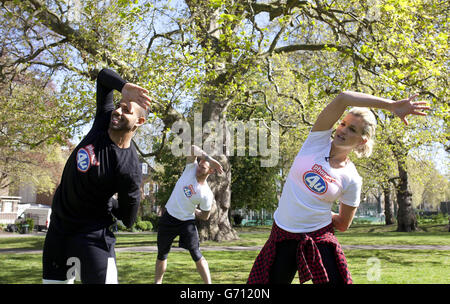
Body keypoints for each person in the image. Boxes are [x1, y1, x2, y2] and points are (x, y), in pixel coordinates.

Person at [248, 91, 429, 284]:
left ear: (362, 140)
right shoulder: (316, 142)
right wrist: (391, 106)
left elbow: (343, 223)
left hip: (318, 236)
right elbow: (343, 98)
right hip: (282, 234)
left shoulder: (352, 179)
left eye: (352, 129)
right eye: (343, 124)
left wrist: (316, 212)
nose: (343, 130)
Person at [42, 68, 152, 284]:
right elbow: (103, 77)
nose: (118, 111)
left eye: (127, 110)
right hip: (59, 230)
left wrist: (109, 202)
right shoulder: (102, 122)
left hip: (93, 237)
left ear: (139, 122)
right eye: (119, 106)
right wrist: (124, 88)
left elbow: (128, 218)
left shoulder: (129, 168)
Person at [155, 145, 223, 284]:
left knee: (197, 255)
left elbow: (205, 216)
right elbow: (192, 148)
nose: (198, 168)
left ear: (210, 171)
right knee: (162, 255)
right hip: (169, 218)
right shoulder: (190, 169)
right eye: (199, 164)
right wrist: (209, 158)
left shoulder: (206, 194)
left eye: (203, 168)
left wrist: (195, 211)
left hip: (186, 223)